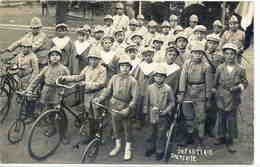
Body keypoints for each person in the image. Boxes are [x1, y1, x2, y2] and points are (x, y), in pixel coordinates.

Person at [94, 56, 139, 161]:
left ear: (130, 68)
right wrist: (100, 98)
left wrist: (129, 108)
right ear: (119, 67)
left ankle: (128, 148)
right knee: (115, 126)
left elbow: (135, 98)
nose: (124, 68)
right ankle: (117, 145)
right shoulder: (114, 78)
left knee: (127, 127)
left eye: (127, 66)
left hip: (125, 106)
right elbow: (108, 90)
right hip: (113, 105)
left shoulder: (133, 81)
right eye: (122, 66)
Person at [59, 47, 107, 144]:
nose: (93, 61)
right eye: (91, 59)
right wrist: (66, 78)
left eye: (95, 59)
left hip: (97, 95)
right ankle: (91, 135)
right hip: (87, 95)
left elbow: (101, 83)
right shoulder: (87, 68)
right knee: (89, 115)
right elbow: (79, 77)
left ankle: (99, 136)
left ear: (99, 60)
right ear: (88, 59)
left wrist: (86, 84)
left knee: (97, 116)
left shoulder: (102, 69)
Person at [25, 47, 70, 144]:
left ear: (60, 57)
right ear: (49, 58)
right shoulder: (46, 68)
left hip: (58, 93)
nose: (55, 57)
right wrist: (29, 89)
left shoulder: (64, 69)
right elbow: (37, 79)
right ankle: (52, 128)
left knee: (60, 115)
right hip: (46, 93)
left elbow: (68, 83)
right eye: (52, 55)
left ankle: (63, 135)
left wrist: (63, 93)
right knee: (48, 113)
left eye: (57, 55)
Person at [213, 43, 248, 153]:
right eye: (227, 54)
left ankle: (230, 140)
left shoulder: (240, 69)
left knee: (231, 119)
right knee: (221, 118)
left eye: (232, 54)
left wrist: (238, 87)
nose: (229, 56)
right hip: (221, 96)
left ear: (236, 55)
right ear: (224, 55)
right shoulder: (220, 68)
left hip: (233, 97)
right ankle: (221, 136)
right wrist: (215, 91)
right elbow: (215, 83)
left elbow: (245, 83)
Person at [178, 43, 213, 146]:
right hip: (188, 91)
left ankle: (200, 137)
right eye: (195, 53)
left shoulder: (206, 66)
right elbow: (183, 78)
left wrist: (208, 97)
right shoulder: (187, 63)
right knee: (188, 115)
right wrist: (181, 92)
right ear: (191, 53)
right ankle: (190, 135)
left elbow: (209, 83)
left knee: (200, 116)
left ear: (203, 54)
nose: (197, 55)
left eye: (200, 53)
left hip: (200, 92)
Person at [144, 64, 175, 161]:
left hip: (162, 114)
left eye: (161, 76)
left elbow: (172, 102)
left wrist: (166, 111)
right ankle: (150, 148)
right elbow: (146, 101)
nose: (159, 78)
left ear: (165, 77)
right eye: (157, 76)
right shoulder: (149, 88)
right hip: (151, 113)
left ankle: (159, 150)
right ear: (154, 77)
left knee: (161, 134)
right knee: (150, 132)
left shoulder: (168, 89)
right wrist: (145, 112)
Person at [204, 34, 225, 137]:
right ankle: (201, 128)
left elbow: (223, 70)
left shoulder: (221, 56)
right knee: (203, 106)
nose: (211, 45)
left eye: (214, 43)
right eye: (210, 43)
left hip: (215, 82)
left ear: (217, 45)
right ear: (207, 43)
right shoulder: (202, 54)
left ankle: (210, 128)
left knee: (213, 107)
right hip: (203, 82)